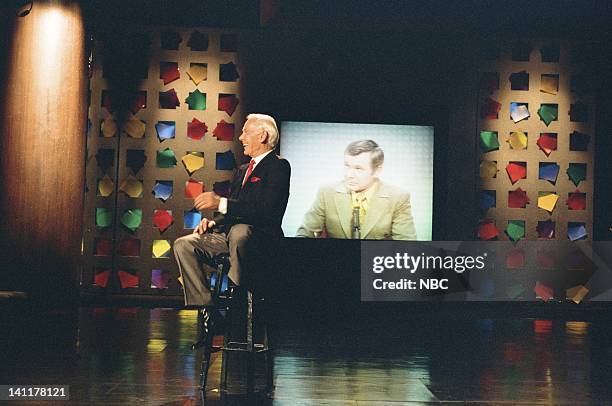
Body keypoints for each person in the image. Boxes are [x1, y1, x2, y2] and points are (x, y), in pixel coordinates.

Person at [173, 113, 290, 346]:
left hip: (260, 242)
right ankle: (210, 311)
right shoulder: (242, 170)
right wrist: (214, 222)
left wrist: (220, 202)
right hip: (231, 238)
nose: (240, 137)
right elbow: (234, 211)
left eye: (246, 132)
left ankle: (237, 298)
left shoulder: (278, 167)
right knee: (184, 244)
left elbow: (266, 210)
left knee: (241, 231)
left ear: (263, 135)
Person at [296, 139, 416, 240]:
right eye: (347, 165)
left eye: (358, 169)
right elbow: (305, 233)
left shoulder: (398, 197)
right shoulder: (327, 192)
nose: (349, 174)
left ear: (377, 171)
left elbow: (406, 245)